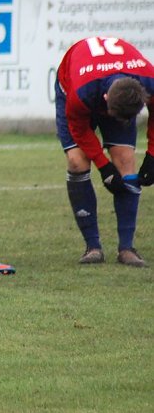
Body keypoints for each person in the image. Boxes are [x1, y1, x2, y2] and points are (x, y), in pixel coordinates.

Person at [55, 36, 154, 267]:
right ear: (107, 99)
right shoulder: (80, 94)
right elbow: (79, 130)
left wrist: (152, 154)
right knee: (77, 161)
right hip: (72, 85)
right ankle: (93, 247)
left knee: (125, 159)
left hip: (114, 83)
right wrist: (104, 166)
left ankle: (127, 248)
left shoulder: (149, 81)